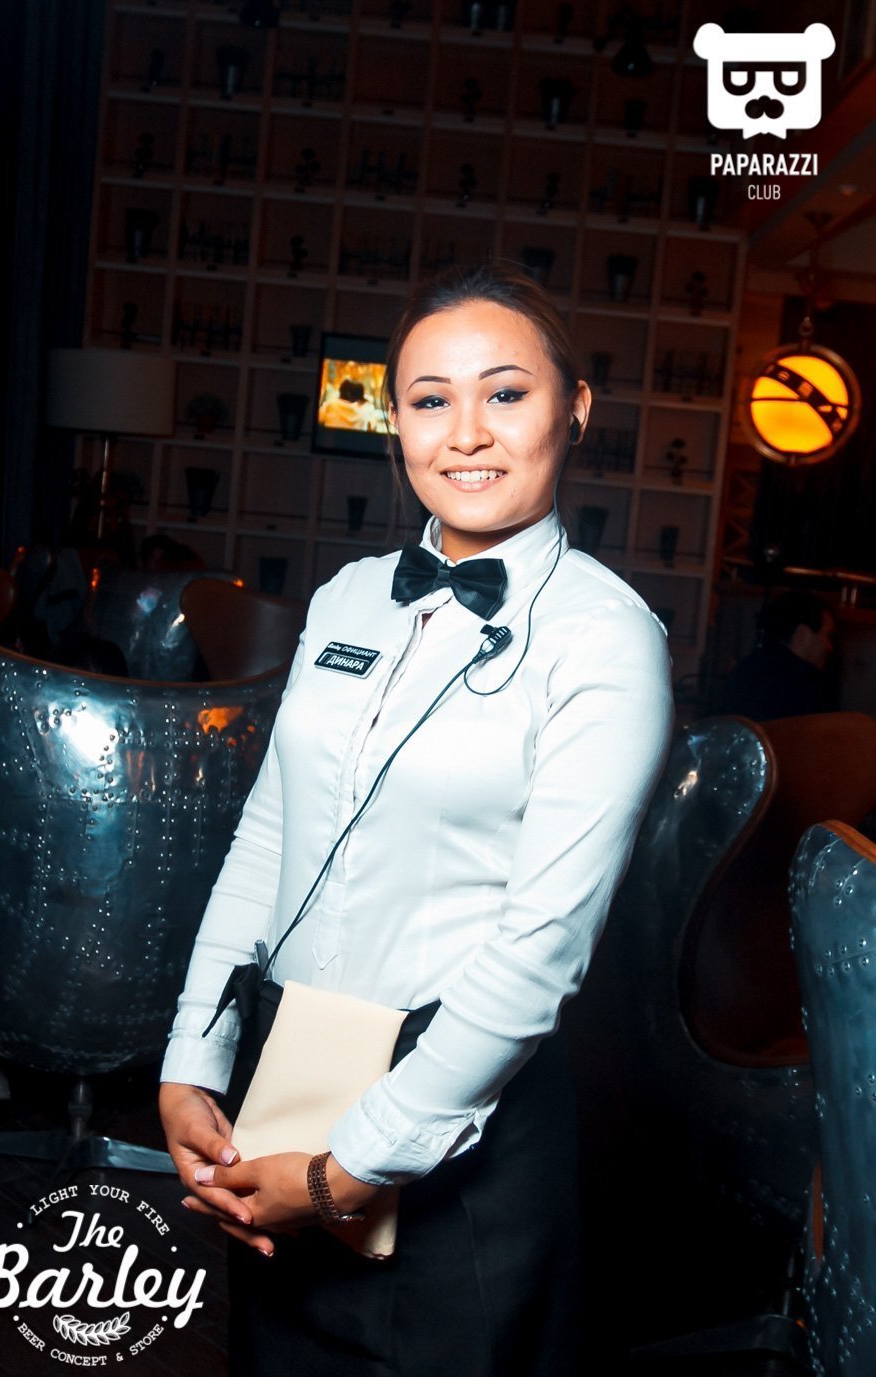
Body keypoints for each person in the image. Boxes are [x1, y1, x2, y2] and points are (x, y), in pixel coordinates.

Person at [159, 262, 674, 1376]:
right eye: (431, 399)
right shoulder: (345, 598)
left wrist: (348, 1168)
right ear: (396, 422)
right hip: (289, 1080)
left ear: (575, 410)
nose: (466, 433)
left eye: (507, 393)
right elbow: (269, 837)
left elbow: (542, 953)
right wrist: (193, 1056)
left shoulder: (608, 638)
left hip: (463, 1138)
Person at [719, 589, 837, 721]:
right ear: (802, 635)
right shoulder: (806, 685)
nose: (829, 647)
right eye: (827, 636)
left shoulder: (743, 671)